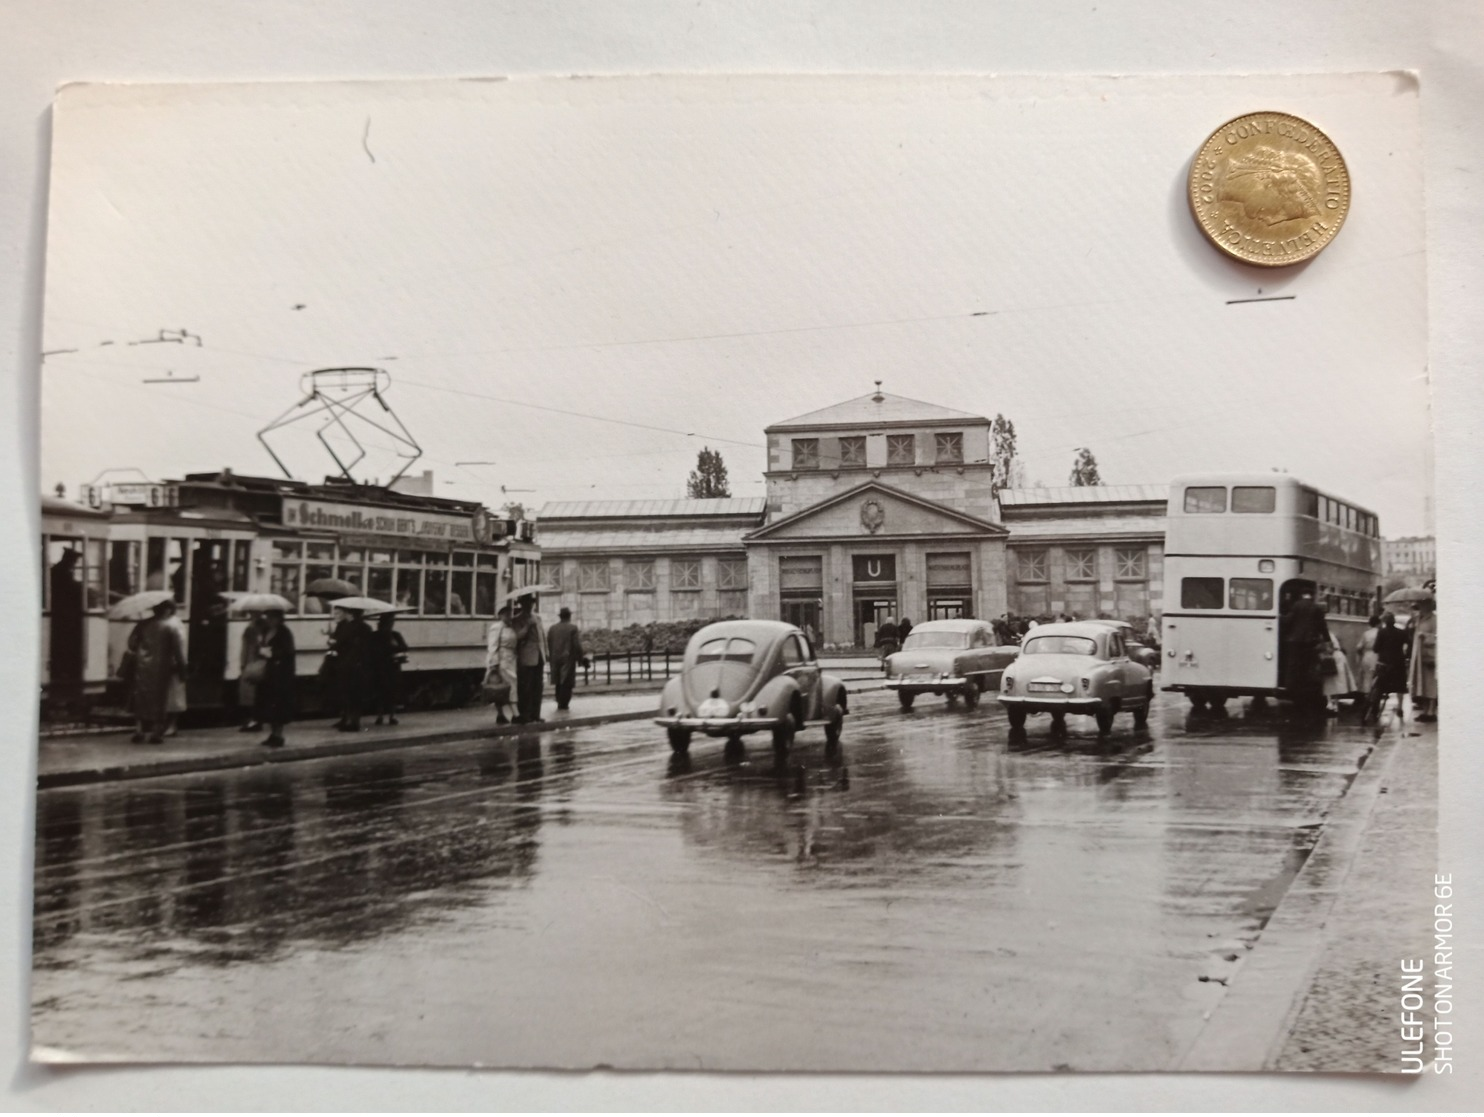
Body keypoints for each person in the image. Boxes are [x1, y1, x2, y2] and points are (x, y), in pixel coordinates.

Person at [126, 599, 186, 743]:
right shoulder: (170, 627)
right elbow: (178, 651)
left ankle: (139, 730)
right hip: (162, 667)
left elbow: (131, 644)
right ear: (166, 610)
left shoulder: (142, 624)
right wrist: (183, 668)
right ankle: (156, 733)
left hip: (143, 666)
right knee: (159, 699)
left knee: (141, 698)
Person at [253, 608, 296, 748]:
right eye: (268, 617)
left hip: (280, 674)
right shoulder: (266, 631)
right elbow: (261, 647)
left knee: (278, 705)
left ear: (279, 618)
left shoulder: (284, 632)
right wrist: (261, 649)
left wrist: (273, 654)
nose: (269, 620)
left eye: (272, 617)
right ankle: (272, 734)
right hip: (268, 673)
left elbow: (288, 651)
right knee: (268, 704)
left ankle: (279, 735)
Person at [47, 548, 85, 706]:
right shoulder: (63, 572)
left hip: (60, 614)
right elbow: (71, 589)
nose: (75, 564)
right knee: (65, 645)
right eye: (75, 561)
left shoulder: (56, 570)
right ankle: (64, 673)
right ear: (70, 560)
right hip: (64, 616)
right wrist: (81, 586)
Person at [1279, 588, 1328, 706]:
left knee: (1293, 664)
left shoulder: (1296, 605)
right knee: (1306, 665)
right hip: (1309, 641)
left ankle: (1290, 687)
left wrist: (1280, 617)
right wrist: (1327, 640)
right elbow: (1322, 625)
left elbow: (1288, 620)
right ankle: (1304, 689)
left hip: (1294, 640)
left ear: (1302, 594)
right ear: (1312, 595)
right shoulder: (1316, 608)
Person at [328, 605, 372, 731]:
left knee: (348, 694)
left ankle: (349, 721)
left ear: (351, 614)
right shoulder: (365, 628)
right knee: (355, 695)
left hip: (347, 664)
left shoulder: (348, 627)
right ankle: (353, 721)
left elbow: (339, 643)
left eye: (346, 612)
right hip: (360, 665)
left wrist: (332, 642)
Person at [1364, 611, 1410, 724]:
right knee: (1400, 686)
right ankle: (1400, 708)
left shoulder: (1382, 632)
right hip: (1398, 663)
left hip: (1384, 663)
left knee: (1379, 686)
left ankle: (1375, 709)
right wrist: (1405, 654)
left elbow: (1375, 648)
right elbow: (1410, 643)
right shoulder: (1402, 632)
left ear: (1384, 621)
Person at [512, 599, 549, 724]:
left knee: (538, 686)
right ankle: (525, 714)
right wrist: (528, 625)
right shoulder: (517, 619)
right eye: (527, 604)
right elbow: (517, 636)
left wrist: (546, 652)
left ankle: (536, 714)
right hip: (526, 657)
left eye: (532, 603)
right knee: (525, 687)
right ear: (522, 605)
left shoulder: (538, 618)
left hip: (539, 656)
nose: (530, 606)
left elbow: (543, 636)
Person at [370, 612, 409, 726]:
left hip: (381, 667)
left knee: (381, 692)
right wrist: (394, 647)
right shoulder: (394, 635)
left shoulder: (376, 635)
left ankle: (380, 716)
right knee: (391, 692)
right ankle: (391, 716)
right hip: (390, 666)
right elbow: (403, 647)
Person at [546, 606, 587, 713]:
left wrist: (550, 656)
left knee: (558, 680)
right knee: (566, 681)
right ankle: (563, 704)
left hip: (554, 658)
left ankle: (559, 701)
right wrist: (581, 658)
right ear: (569, 616)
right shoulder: (572, 628)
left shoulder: (552, 628)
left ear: (560, 617)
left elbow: (549, 643)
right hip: (567, 657)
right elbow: (576, 645)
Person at [484, 604, 518, 724]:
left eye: (510, 613)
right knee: (509, 686)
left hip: (511, 659)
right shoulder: (496, 627)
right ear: (500, 615)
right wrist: (494, 663)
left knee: (502, 688)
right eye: (506, 614)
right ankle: (516, 714)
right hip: (502, 661)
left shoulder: (511, 627)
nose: (509, 616)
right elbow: (492, 646)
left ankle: (501, 715)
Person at [1408, 597, 1437, 721]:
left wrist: (1425, 636)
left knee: (1430, 684)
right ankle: (1425, 711)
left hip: (1430, 656)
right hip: (1419, 657)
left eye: (1421, 605)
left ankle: (1431, 711)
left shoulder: (1434, 619)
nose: (1419, 608)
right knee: (1422, 685)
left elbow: (1438, 637)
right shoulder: (1418, 619)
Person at [237, 612, 267, 732]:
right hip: (258, 664)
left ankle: (253, 721)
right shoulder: (263, 628)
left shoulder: (252, 629)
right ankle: (255, 720)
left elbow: (246, 649)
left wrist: (243, 664)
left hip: (252, 664)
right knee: (255, 694)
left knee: (250, 694)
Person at [1353, 614, 1382, 697]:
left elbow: (1359, 647)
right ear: (1378, 623)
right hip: (1377, 655)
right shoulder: (1380, 633)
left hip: (1367, 656)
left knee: (1367, 677)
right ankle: (1375, 695)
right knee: (1377, 677)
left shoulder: (1366, 634)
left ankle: (1367, 695)